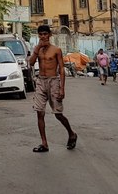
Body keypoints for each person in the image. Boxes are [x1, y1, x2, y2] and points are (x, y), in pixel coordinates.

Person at [27, 25, 77, 153]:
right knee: (39, 112)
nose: (43, 36)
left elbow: (61, 69)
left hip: (53, 81)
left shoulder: (56, 50)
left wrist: (62, 89)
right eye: (41, 34)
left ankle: (71, 133)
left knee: (58, 114)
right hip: (41, 81)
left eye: (45, 34)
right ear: (38, 36)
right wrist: (37, 49)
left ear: (49, 35)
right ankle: (44, 143)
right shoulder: (38, 50)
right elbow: (31, 63)